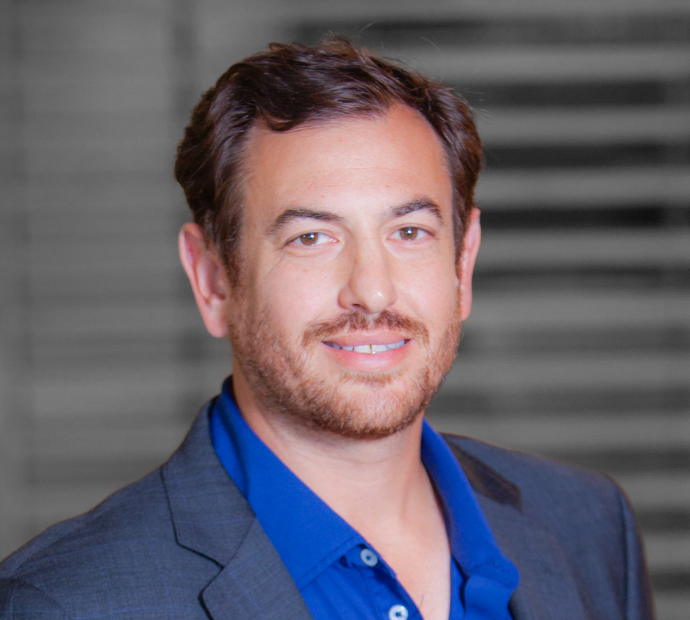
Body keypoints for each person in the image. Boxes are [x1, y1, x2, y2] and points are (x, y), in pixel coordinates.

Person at [0, 37, 654, 620]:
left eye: (410, 232)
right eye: (311, 237)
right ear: (212, 279)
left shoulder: (589, 527)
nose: (372, 289)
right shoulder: (63, 605)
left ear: (463, 262)